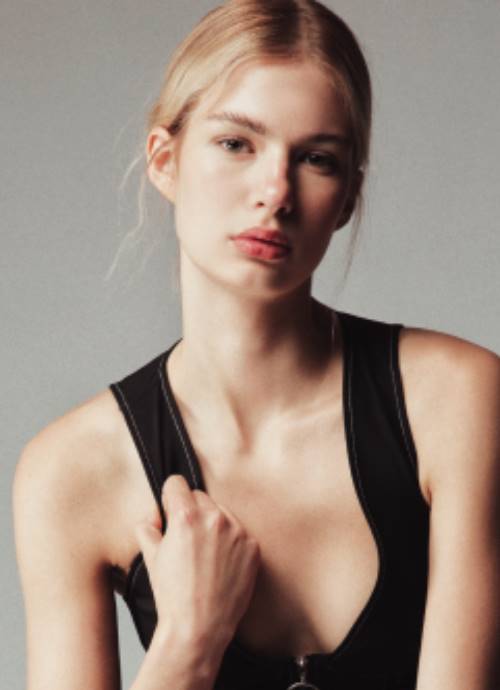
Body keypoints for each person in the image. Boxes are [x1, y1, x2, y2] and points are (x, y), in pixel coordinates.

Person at [13, 1, 499, 689]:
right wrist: (187, 643)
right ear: (165, 160)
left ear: (348, 197)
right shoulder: (71, 472)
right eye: (236, 144)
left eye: (317, 159)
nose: (275, 192)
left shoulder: (455, 400)